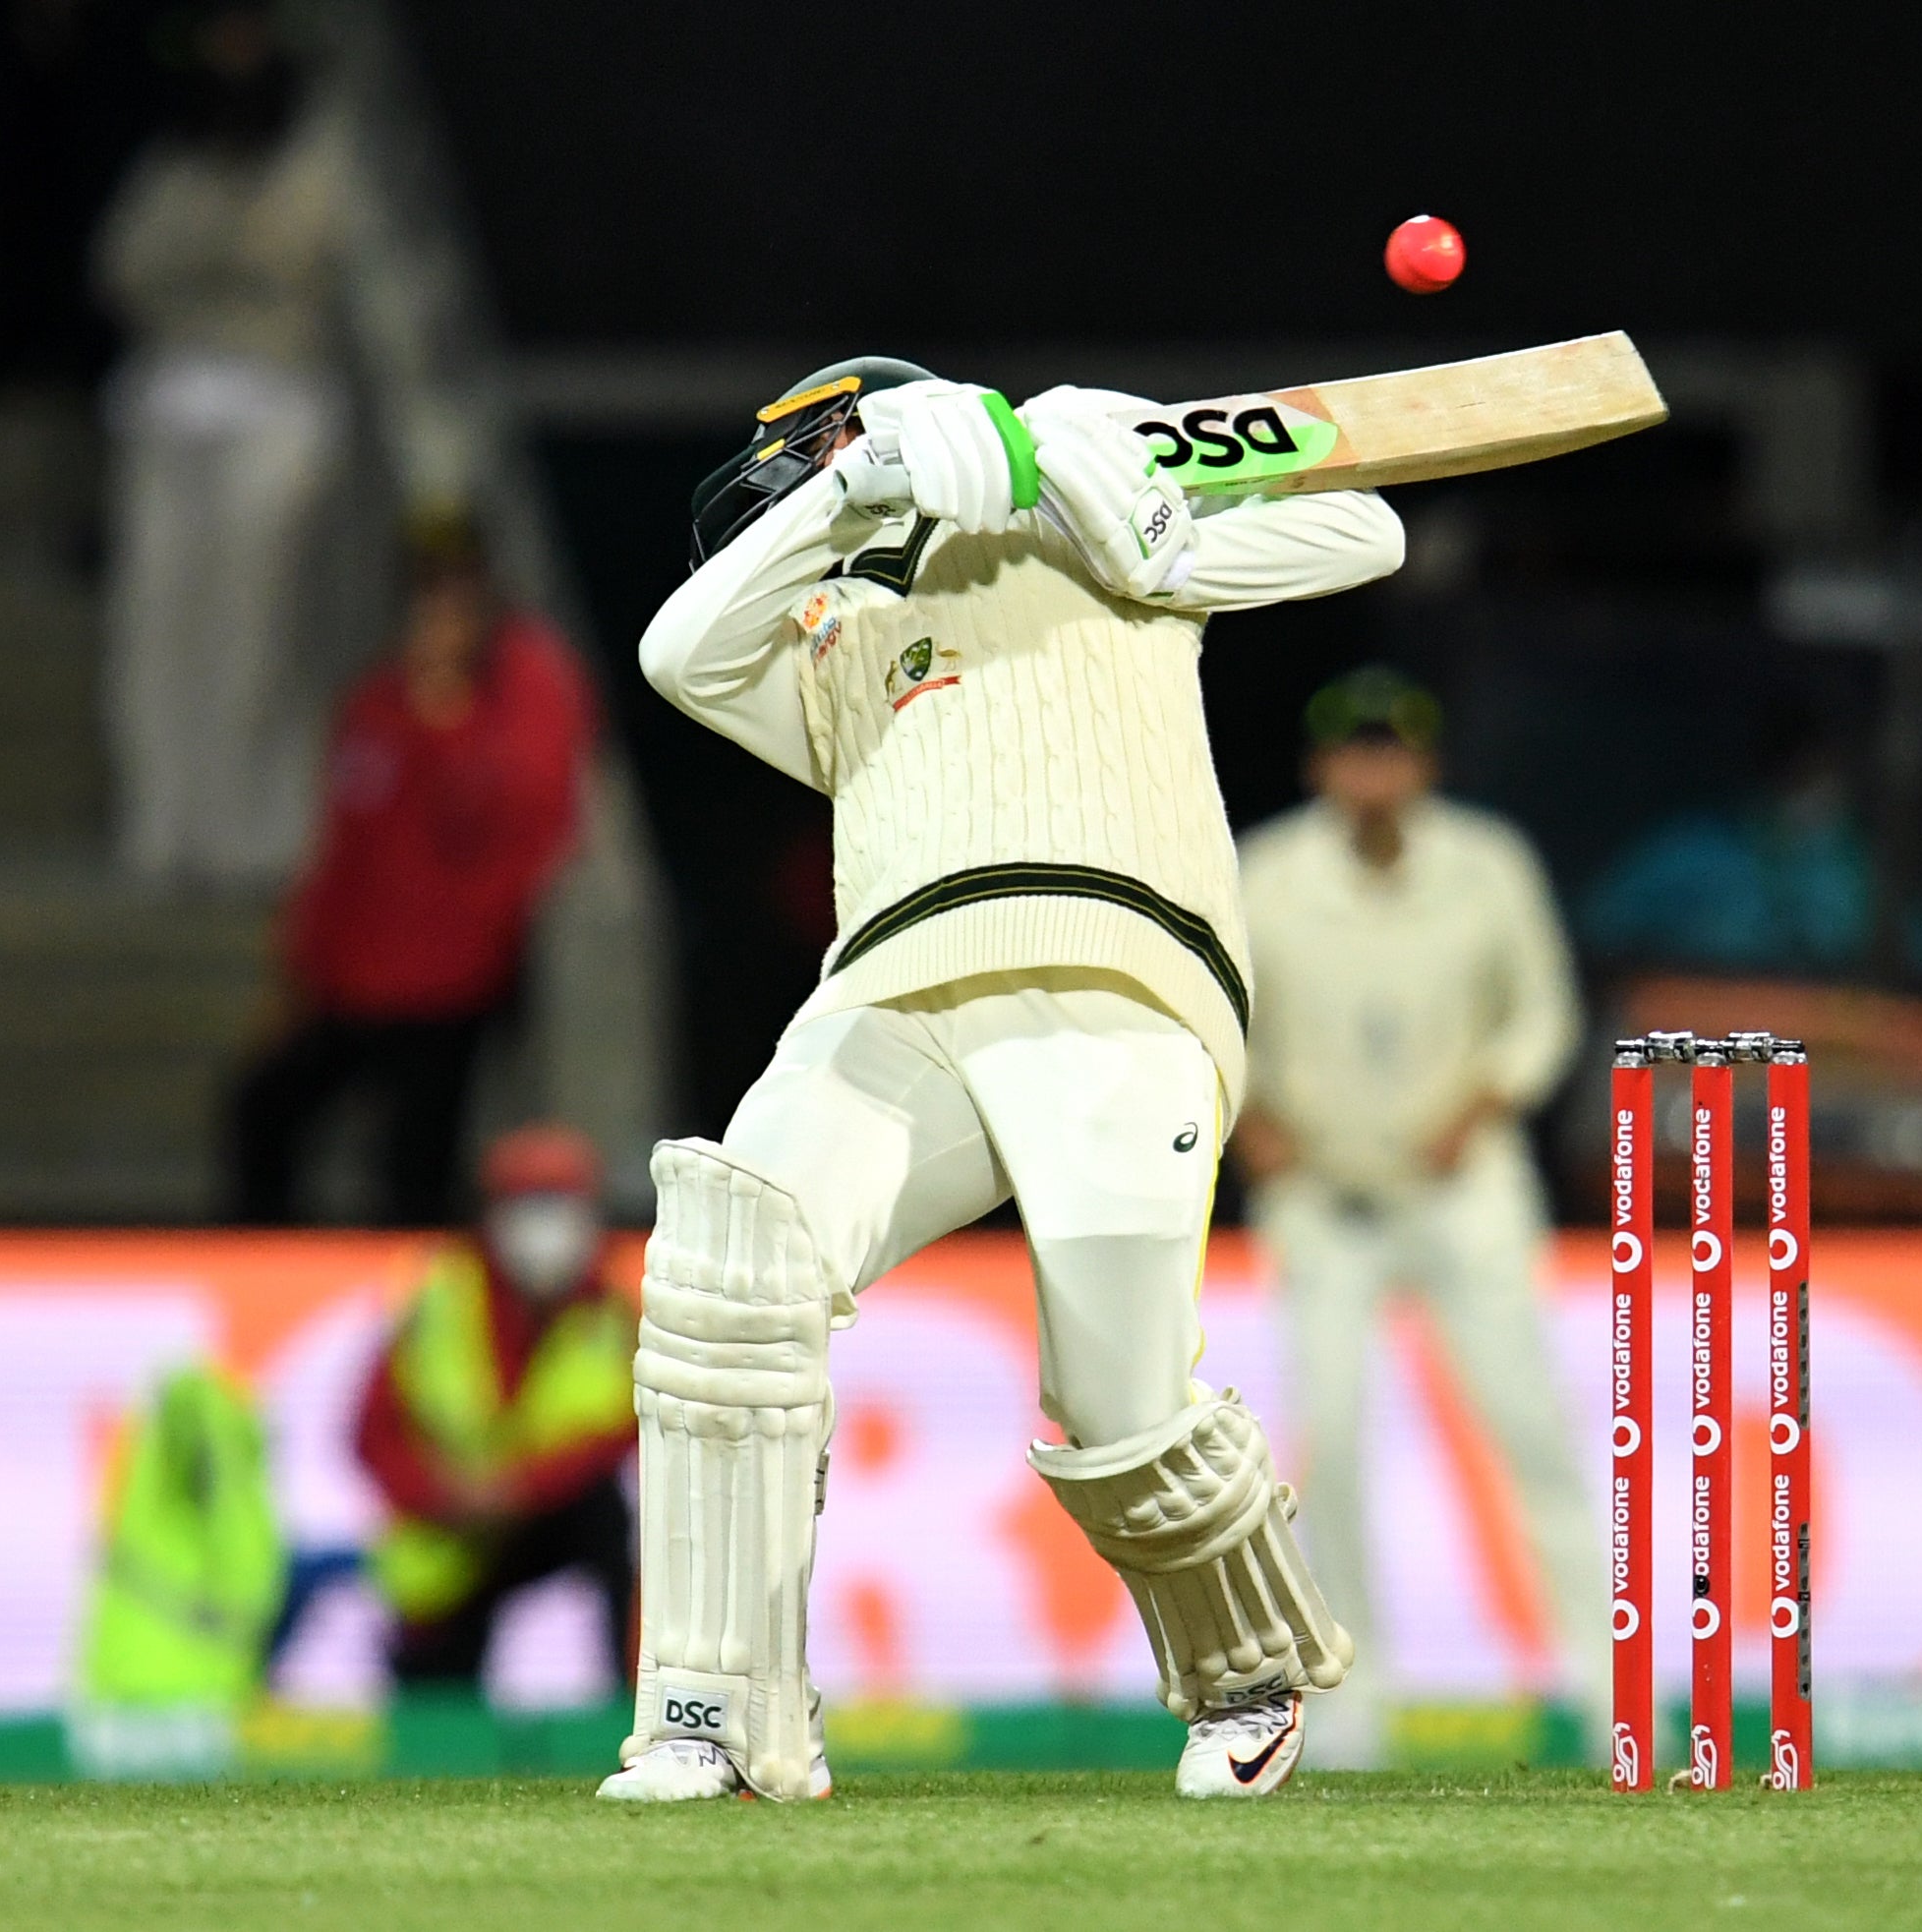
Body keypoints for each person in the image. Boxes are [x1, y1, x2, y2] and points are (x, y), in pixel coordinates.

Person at [604, 361, 1401, 1803]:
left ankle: (1247, 1673)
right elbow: (674, 653)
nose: (792, 488)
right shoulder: (819, 634)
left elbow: (1366, 531)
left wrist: (1094, 464)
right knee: (730, 1269)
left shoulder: (1090, 516)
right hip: (892, 992)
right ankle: (716, 1716)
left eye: (817, 454)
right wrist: (858, 492)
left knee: (1116, 1398)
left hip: (1117, 964)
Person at [1234, 668, 1605, 1768]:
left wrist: (1483, 1100)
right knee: (1333, 1444)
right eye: (1354, 750)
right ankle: (1357, 1699)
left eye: (1392, 749)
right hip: (1323, 1192)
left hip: (1465, 1186)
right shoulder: (1267, 874)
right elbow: (1219, 1007)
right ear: (1320, 765)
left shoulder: (1486, 866)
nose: (1373, 770)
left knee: (1531, 1430)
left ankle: (1603, 1684)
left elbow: (1544, 1014)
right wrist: (1248, 1116)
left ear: (1425, 762)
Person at [225, 512, 596, 1226]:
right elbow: (343, 849)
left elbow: (521, 821)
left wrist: (449, 724)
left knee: (415, 1165)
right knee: (262, 1110)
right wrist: (298, 969)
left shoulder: (525, 686)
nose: (441, 611)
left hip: (453, 983)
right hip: (356, 979)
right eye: (428, 589)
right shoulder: (377, 702)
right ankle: (263, 1270)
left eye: (457, 588)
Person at [92, 0, 361, 885]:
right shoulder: (174, 157)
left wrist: (218, 259)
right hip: (169, 406)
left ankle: (255, 831)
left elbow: (294, 246)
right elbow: (126, 263)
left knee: (256, 626)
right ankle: (166, 826)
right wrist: (221, 259)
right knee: (159, 623)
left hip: (276, 407)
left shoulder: (320, 150)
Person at [356, 1125, 635, 1688]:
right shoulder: (442, 1297)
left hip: (545, 1514)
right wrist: (442, 1493)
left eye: (559, 1204)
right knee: (432, 1680)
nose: (545, 1226)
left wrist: (521, 1488)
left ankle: (632, 1704)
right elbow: (373, 1429)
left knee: (612, 1524)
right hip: (449, 1531)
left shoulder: (608, 1315)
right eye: (529, 1205)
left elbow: (617, 1432)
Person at [1576, 703, 1873, 973]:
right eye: (1798, 777)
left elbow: (1910, 960)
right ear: (1769, 775)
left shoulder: (1862, 876)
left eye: (1822, 778)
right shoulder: (1691, 852)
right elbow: (1598, 928)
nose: (1812, 797)